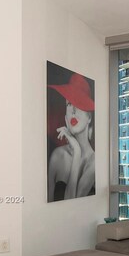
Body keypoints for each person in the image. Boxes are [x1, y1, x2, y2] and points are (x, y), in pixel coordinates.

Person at [47, 73, 95, 202]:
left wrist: (77, 152)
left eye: (78, 104)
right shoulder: (57, 155)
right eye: (68, 104)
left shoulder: (94, 161)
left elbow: (72, 202)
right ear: (65, 118)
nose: (72, 110)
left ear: (89, 117)